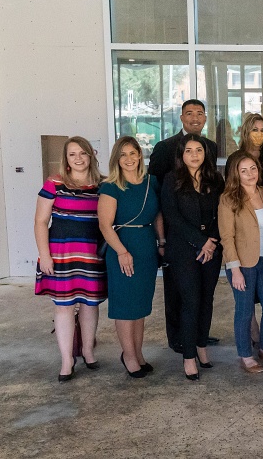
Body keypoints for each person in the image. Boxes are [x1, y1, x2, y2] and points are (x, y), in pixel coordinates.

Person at [147, 99, 220, 353]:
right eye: (189, 113)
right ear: (181, 118)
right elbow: (156, 193)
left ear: (205, 118)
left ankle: (198, 335)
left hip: (205, 231)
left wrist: (209, 238)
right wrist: (161, 237)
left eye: (200, 113)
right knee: (176, 291)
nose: (195, 118)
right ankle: (177, 337)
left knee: (201, 295)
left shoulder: (209, 146)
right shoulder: (165, 147)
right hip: (175, 233)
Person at [34, 137, 107, 382]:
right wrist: (45, 255)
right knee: (63, 306)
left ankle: (87, 350)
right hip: (60, 254)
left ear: (91, 155)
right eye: (72, 154)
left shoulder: (103, 184)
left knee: (90, 304)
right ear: (66, 159)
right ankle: (67, 359)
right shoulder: (54, 183)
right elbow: (41, 222)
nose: (78, 158)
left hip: (91, 253)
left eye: (82, 153)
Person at [97, 136, 165, 379]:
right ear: (117, 158)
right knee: (126, 306)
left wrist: (162, 241)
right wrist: (122, 252)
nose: (128, 159)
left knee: (140, 306)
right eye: (123, 154)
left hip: (146, 247)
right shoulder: (111, 186)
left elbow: (157, 215)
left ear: (139, 155)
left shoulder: (151, 182)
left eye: (133, 153)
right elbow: (105, 226)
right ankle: (128, 355)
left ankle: (138, 352)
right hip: (122, 249)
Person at [160, 134, 224, 381]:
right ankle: (188, 356)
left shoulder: (215, 179)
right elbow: (172, 216)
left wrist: (212, 242)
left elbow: (223, 212)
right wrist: (201, 242)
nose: (194, 155)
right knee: (191, 301)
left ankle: (201, 346)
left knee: (207, 300)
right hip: (183, 250)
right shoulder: (171, 179)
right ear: (181, 155)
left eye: (199, 150)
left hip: (212, 249)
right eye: (189, 150)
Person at [219, 151, 263, 375]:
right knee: (245, 311)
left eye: (253, 169)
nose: (250, 174)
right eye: (243, 171)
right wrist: (234, 269)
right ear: (236, 174)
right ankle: (245, 354)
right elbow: (226, 237)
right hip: (242, 264)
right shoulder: (229, 198)